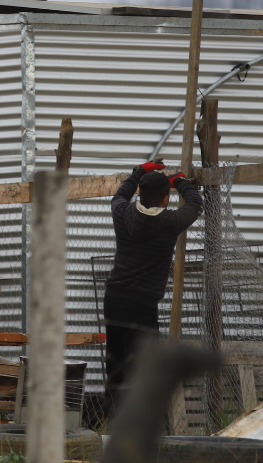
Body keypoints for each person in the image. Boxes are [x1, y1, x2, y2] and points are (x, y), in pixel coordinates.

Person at [102, 159, 203, 420]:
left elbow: (120, 194)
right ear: (166, 199)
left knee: (115, 364)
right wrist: (180, 181)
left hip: (114, 298)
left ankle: (109, 422)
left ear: (140, 192)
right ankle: (139, 426)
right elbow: (196, 204)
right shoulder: (170, 222)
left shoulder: (123, 213)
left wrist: (139, 172)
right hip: (142, 304)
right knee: (143, 368)